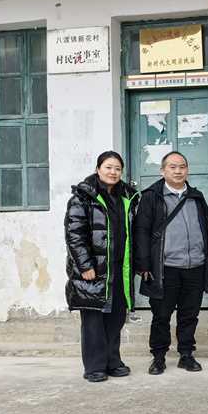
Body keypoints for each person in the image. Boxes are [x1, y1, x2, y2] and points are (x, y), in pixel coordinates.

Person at [133, 151, 208, 375]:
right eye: (172, 167)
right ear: (162, 171)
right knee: (161, 316)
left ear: (187, 170)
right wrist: (143, 265)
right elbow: (141, 232)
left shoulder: (196, 197)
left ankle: (186, 354)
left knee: (189, 315)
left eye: (182, 166)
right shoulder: (152, 197)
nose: (178, 171)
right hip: (165, 268)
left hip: (195, 266)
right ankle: (159, 357)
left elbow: (207, 229)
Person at [65, 151, 139, 382]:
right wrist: (85, 265)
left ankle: (112, 361)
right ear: (98, 169)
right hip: (94, 269)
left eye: (117, 168)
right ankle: (94, 367)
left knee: (116, 317)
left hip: (119, 267)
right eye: (108, 167)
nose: (113, 172)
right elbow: (74, 235)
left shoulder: (127, 196)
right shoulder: (83, 197)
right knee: (94, 319)